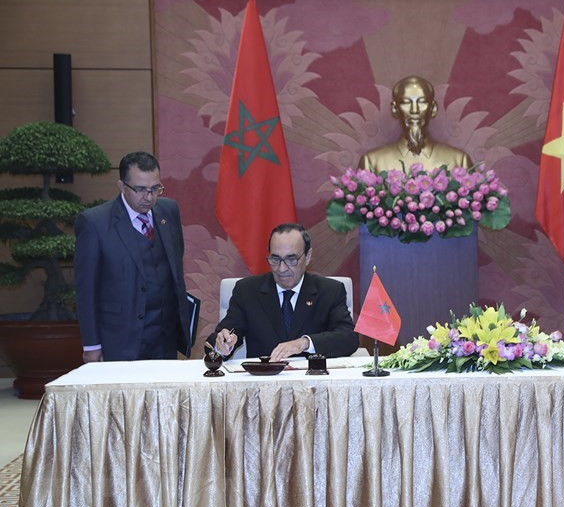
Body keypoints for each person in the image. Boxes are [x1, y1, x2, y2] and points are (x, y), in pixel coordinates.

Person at [74, 151, 191, 362]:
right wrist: (91, 345)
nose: (149, 197)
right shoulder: (95, 223)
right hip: (120, 339)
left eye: (156, 189)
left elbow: (176, 265)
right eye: (140, 189)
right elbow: (86, 291)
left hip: (164, 336)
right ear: (122, 187)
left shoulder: (169, 211)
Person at [209, 222, 359, 360]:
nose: (282, 269)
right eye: (275, 259)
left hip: (313, 382)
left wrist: (305, 342)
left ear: (307, 257)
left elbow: (348, 338)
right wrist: (222, 343)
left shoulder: (330, 291)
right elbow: (220, 336)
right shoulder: (247, 291)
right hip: (264, 382)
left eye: (291, 259)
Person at [359, 75, 472, 173]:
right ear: (395, 109)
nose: (414, 110)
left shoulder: (459, 161)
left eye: (422, 102)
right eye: (406, 102)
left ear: (433, 109)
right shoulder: (372, 162)